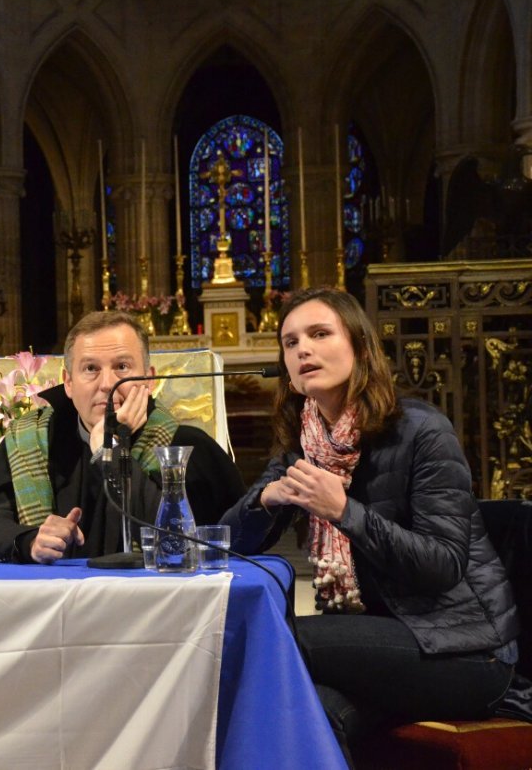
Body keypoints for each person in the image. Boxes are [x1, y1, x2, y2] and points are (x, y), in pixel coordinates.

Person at [220, 287, 522, 761]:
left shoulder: (422, 430)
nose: (303, 349)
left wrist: (344, 511)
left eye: (320, 334)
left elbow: (442, 565)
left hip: (463, 648)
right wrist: (264, 501)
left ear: (360, 346)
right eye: (291, 341)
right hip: (373, 639)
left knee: (271, 633)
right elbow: (225, 543)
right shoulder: (306, 443)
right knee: (310, 713)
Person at [0, 310, 244, 564]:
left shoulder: (186, 447)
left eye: (122, 367)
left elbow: (189, 542)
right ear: (69, 383)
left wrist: (108, 453)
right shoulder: (31, 441)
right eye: (91, 369)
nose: (107, 384)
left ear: (149, 380)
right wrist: (31, 541)